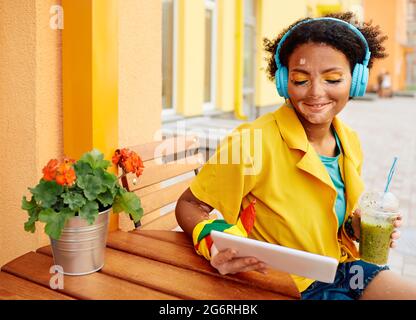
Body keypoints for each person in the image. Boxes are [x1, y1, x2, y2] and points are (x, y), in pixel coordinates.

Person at [175, 12, 416, 300]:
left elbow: (336, 223)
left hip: (345, 270)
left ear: (356, 80)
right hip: (288, 284)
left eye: (333, 79)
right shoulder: (252, 141)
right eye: (300, 80)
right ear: (282, 82)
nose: (315, 92)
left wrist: (357, 227)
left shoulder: (349, 141)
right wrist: (214, 243)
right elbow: (189, 204)